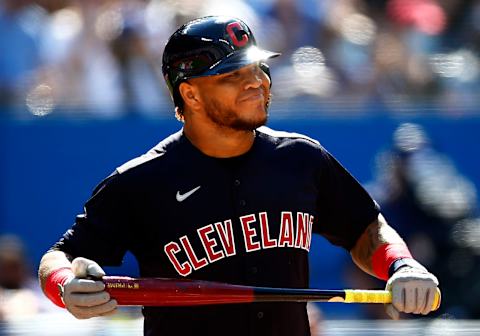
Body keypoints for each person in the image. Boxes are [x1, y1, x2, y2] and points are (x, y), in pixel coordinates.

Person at [38, 16, 439, 336]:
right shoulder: (140, 182)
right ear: (190, 94)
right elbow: (59, 258)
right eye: (232, 75)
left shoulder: (302, 158)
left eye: (258, 68)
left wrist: (402, 266)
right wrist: (63, 285)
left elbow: (366, 229)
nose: (257, 82)